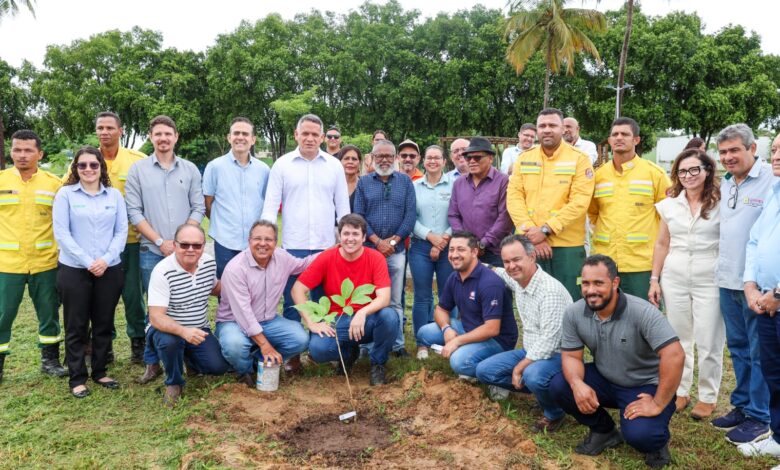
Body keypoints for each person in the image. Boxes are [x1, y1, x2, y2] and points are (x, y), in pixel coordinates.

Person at [549, 255, 684, 468]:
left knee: (643, 436)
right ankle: (604, 431)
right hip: (606, 378)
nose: (590, 290)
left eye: (598, 283)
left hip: (643, 386)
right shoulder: (574, 313)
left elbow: (675, 355)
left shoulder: (642, 311)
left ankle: (656, 444)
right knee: (560, 385)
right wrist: (578, 385)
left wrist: (657, 403)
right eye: (585, 283)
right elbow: (571, 356)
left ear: (615, 283)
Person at [125, 115, 206, 384]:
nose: (163, 138)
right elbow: (134, 211)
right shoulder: (138, 170)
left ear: (176, 137)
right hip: (152, 251)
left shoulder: (191, 170)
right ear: (151, 136)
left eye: (167, 134)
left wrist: (182, 243)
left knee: (186, 305)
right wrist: (162, 242)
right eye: (158, 134)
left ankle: (188, 357)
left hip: (189, 252)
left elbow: (198, 207)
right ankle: (152, 362)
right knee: (156, 309)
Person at [649, 148, 724, 419]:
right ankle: (681, 390)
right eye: (683, 171)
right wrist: (655, 279)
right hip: (675, 274)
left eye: (694, 170)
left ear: (707, 171)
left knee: (709, 337)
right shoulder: (669, 205)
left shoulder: (721, 202)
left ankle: (707, 395)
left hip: (710, 275)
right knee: (678, 337)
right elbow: (662, 243)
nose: (688, 176)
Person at [713, 123, 773, 444]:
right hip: (727, 279)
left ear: (752, 149)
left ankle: (760, 415)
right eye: (723, 152)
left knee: (759, 350)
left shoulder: (770, 181)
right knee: (737, 348)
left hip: (756, 283)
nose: (728, 157)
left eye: (735, 150)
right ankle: (742, 405)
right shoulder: (725, 183)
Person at [475, 235, 572, 433]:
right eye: (507, 261)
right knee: (484, 371)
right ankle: (546, 393)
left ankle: (555, 412)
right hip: (531, 351)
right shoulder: (520, 280)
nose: (511, 266)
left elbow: (549, 342)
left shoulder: (549, 291)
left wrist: (519, 367)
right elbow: (501, 273)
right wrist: (476, 262)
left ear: (532, 257)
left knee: (532, 374)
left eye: (516, 259)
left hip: (560, 355)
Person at [260, 114, 350, 329]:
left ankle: (322, 346)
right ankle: (292, 354)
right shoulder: (281, 165)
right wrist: (267, 241)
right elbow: (270, 207)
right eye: (305, 133)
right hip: (293, 246)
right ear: (296, 135)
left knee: (325, 300)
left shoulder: (334, 166)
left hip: (326, 245)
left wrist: (345, 241)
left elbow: (343, 208)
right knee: (293, 302)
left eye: (314, 134)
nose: (309, 138)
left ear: (322, 138)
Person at [53, 147, 127, 398]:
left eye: (93, 165)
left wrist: (105, 260)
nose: (88, 170)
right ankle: (77, 377)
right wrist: (88, 261)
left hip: (110, 268)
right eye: (82, 165)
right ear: (75, 168)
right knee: (76, 324)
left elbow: (121, 232)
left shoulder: (114, 196)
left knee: (104, 322)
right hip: (74, 269)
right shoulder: (65, 195)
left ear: (101, 168)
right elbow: (62, 233)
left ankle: (99, 371)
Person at [291, 214, 399, 385]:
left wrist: (362, 312)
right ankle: (348, 354)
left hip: (367, 320)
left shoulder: (375, 257)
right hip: (338, 318)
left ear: (364, 237)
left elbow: (384, 298)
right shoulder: (327, 257)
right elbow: (297, 289)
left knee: (390, 317)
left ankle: (378, 363)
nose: (350, 239)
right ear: (339, 236)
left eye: (355, 234)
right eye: (346, 234)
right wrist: (311, 322)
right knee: (319, 350)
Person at [507, 108, 595, 300]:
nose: (547, 130)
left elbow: (580, 202)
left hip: (567, 246)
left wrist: (546, 230)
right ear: (537, 130)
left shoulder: (579, 159)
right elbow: (513, 198)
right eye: (542, 126)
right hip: (529, 242)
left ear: (563, 129)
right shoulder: (524, 158)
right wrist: (532, 234)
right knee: (532, 298)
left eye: (552, 125)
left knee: (569, 300)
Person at [0, 130, 67, 382]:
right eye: (17, 149)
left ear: (40, 153)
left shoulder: (54, 184)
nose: (22, 155)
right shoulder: (1, 180)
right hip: (7, 263)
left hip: (45, 262)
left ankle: (50, 360)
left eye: (28, 150)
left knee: (49, 313)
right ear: (11, 152)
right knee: (3, 314)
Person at [216, 220, 312, 385]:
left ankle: (258, 361)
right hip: (234, 321)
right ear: (249, 241)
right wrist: (265, 345)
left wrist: (334, 250)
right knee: (235, 344)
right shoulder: (236, 269)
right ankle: (245, 371)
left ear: (275, 242)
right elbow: (244, 314)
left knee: (300, 338)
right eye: (257, 239)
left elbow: (303, 264)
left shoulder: (281, 257)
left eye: (268, 239)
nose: (263, 243)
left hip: (267, 319)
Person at [145, 224, 229, 406]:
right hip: (168, 329)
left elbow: (215, 288)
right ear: (174, 245)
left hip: (199, 328)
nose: (191, 249)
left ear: (203, 246)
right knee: (170, 342)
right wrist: (183, 332)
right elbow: (156, 317)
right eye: (184, 245)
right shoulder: (162, 271)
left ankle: (188, 358)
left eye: (197, 245)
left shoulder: (208, 263)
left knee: (217, 367)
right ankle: (174, 382)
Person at [416, 231, 518, 380]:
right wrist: (446, 329)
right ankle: (471, 353)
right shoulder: (455, 276)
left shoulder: (490, 283)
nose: (454, 255)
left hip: (497, 340)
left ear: (474, 252)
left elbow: (492, 328)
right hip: (469, 328)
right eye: (451, 250)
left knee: (458, 362)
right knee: (424, 333)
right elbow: (441, 309)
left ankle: (500, 370)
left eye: (461, 249)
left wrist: (456, 341)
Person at [588, 117, 671, 299]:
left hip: (641, 264)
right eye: (614, 134)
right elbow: (593, 213)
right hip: (605, 261)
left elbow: (669, 217)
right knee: (606, 317)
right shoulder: (598, 176)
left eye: (625, 134)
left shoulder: (654, 174)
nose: (619, 138)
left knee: (643, 319)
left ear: (636, 140)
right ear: (609, 141)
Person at [738, 132, 780, 458]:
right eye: (775, 149)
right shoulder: (775, 193)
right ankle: (778, 438)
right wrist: (750, 285)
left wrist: (777, 294)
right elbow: (754, 242)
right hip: (766, 303)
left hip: (776, 299)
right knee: (774, 374)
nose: (776, 156)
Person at [354, 139, 416, 357]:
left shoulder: (406, 183)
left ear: (396, 158)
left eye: (389, 155)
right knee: (367, 298)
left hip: (396, 252)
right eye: (379, 155)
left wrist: (393, 241)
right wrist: (377, 241)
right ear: (372, 157)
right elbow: (359, 216)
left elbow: (410, 216)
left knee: (395, 300)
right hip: (369, 251)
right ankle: (365, 345)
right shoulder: (363, 183)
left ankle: (397, 344)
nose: (384, 159)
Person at [93, 111, 147, 363]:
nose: (105, 132)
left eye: (110, 128)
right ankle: (105, 346)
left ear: (121, 131)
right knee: (101, 297)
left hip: (132, 242)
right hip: (98, 245)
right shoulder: (86, 160)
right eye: (100, 128)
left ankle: (138, 342)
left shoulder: (138, 161)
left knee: (133, 295)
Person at [203, 117, 270, 278]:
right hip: (225, 240)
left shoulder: (264, 170)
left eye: (245, 134)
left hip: (255, 241)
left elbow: (266, 203)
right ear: (229, 137)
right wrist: (223, 224)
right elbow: (208, 203)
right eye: (236, 133)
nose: (240, 137)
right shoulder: (214, 167)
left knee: (255, 287)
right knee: (226, 289)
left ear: (253, 139)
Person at [409, 145, 454, 360]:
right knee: (422, 296)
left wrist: (442, 240)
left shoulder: (455, 185)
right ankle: (422, 343)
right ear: (423, 161)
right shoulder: (414, 186)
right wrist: (430, 237)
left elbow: (457, 216)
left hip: (449, 247)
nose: (433, 161)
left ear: (445, 161)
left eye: (437, 158)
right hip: (420, 247)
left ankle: (451, 340)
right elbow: (410, 218)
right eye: (429, 158)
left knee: (449, 295)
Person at [448, 136, 514, 267]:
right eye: (468, 158)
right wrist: (465, 242)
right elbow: (453, 214)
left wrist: (483, 243)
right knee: (467, 287)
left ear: (490, 158)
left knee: (495, 287)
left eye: (477, 157)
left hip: (496, 252)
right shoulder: (459, 183)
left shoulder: (503, 181)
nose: (471, 161)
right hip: (466, 252)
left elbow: (505, 217)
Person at [336, 145, 362, 211]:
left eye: (354, 159)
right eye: (346, 158)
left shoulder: (365, 185)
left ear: (359, 163)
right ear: (339, 162)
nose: (350, 162)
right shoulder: (332, 185)